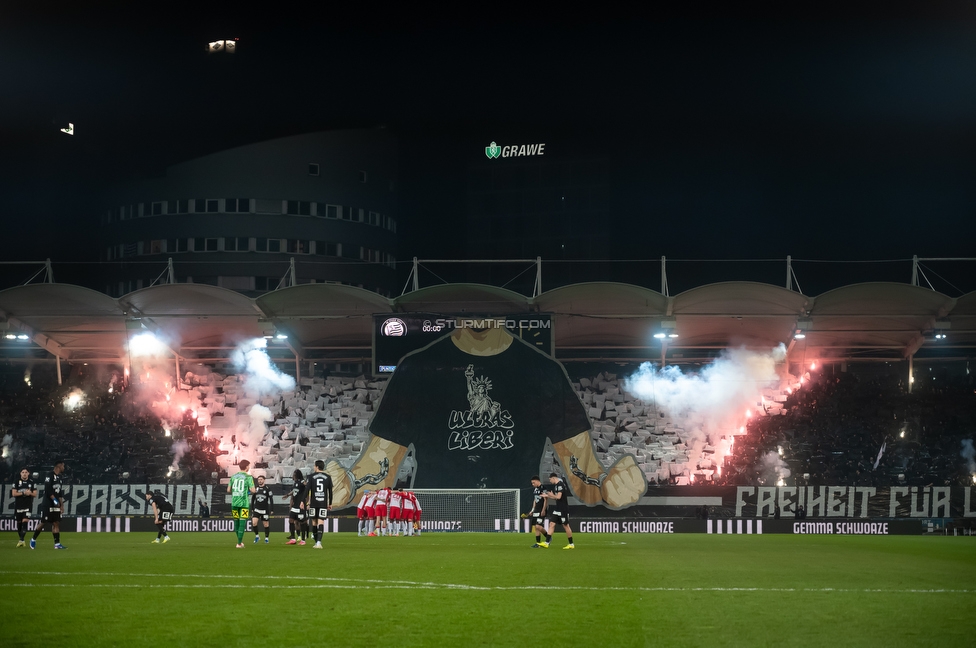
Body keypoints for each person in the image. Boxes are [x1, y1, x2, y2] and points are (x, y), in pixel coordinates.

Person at [324, 327, 646, 513]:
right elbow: (380, 468)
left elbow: (582, 478)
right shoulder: (418, 369)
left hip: (517, 524)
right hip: (435, 524)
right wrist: (349, 484)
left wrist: (607, 484)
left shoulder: (542, 371)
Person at [31, 459, 67, 550]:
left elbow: (60, 493)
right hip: (48, 504)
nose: (64, 467)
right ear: (59, 466)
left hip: (56, 505)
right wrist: (54, 500)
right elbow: (47, 490)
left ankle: (57, 544)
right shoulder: (49, 475)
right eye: (63, 466)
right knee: (43, 522)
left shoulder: (60, 478)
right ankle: (33, 539)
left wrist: (61, 505)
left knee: (56, 523)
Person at [540, 472, 574, 549]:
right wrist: (547, 495)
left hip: (563, 509)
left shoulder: (560, 485)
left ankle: (571, 544)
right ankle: (547, 542)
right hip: (558, 509)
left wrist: (551, 495)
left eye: (550, 479)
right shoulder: (556, 486)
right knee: (551, 524)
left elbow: (558, 497)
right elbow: (556, 498)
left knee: (566, 526)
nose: (550, 481)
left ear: (553, 478)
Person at [227, 460, 255, 548]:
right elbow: (253, 490)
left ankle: (239, 542)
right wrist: (247, 492)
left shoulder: (233, 477)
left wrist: (236, 492)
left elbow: (228, 490)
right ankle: (239, 543)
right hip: (244, 503)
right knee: (242, 522)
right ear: (246, 466)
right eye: (249, 466)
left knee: (236, 522)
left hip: (234, 503)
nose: (249, 467)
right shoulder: (248, 477)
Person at [305, 460, 333, 549]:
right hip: (323, 503)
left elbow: (307, 490)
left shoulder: (311, 477)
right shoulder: (328, 477)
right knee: (321, 522)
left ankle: (316, 542)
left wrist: (304, 501)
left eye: (314, 466)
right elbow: (330, 492)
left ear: (317, 466)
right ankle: (319, 542)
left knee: (314, 522)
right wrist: (330, 503)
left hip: (313, 503)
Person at [12, 468, 37, 547]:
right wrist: (24, 493)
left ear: (28, 473)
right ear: (20, 473)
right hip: (18, 505)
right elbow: (14, 494)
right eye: (23, 472)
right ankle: (22, 539)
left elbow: (35, 494)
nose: (24, 474)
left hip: (28, 505)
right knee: (19, 524)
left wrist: (29, 493)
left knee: (25, 522)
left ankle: (21, 540)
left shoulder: (32, 483)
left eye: (26, 472)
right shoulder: (16, 482)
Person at [523, 475, 548, 548]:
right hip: (536, 510)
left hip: (541, 510)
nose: (532, 484)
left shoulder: (543, 488)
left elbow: (546, 500)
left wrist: (543, 510)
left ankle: (548, 537)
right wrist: (532, 510)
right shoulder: (535, 489)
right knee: (536, 527)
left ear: (537, 481)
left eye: (533, 483)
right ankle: (538, 543)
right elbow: (535, 499)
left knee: (538, 526)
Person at [250, 475, 275, 544]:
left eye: (261, 479)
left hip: (265, 510)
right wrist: (252, 508)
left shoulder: (267, 488)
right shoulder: (256, 488)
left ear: (264, 480)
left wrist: (272, 509)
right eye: (258, 480)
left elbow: (271, 499)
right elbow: (253, 499)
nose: (259, 481)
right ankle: (257, 536)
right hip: (257, 509)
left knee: (266, 524)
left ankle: (266, 538)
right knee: (254, 523)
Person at [286, 469, 307, 545]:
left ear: (297, 475)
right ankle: (293, 539)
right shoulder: (295, 483)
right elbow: (294, 491)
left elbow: (306, 486)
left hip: (300, 505)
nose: (293, 476)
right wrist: (288, 495)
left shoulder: (301, 482)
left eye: (294, 474)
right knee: (291, 520)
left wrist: (305, 483)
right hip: (294, 506)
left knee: (302, 523)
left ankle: (303, 540)